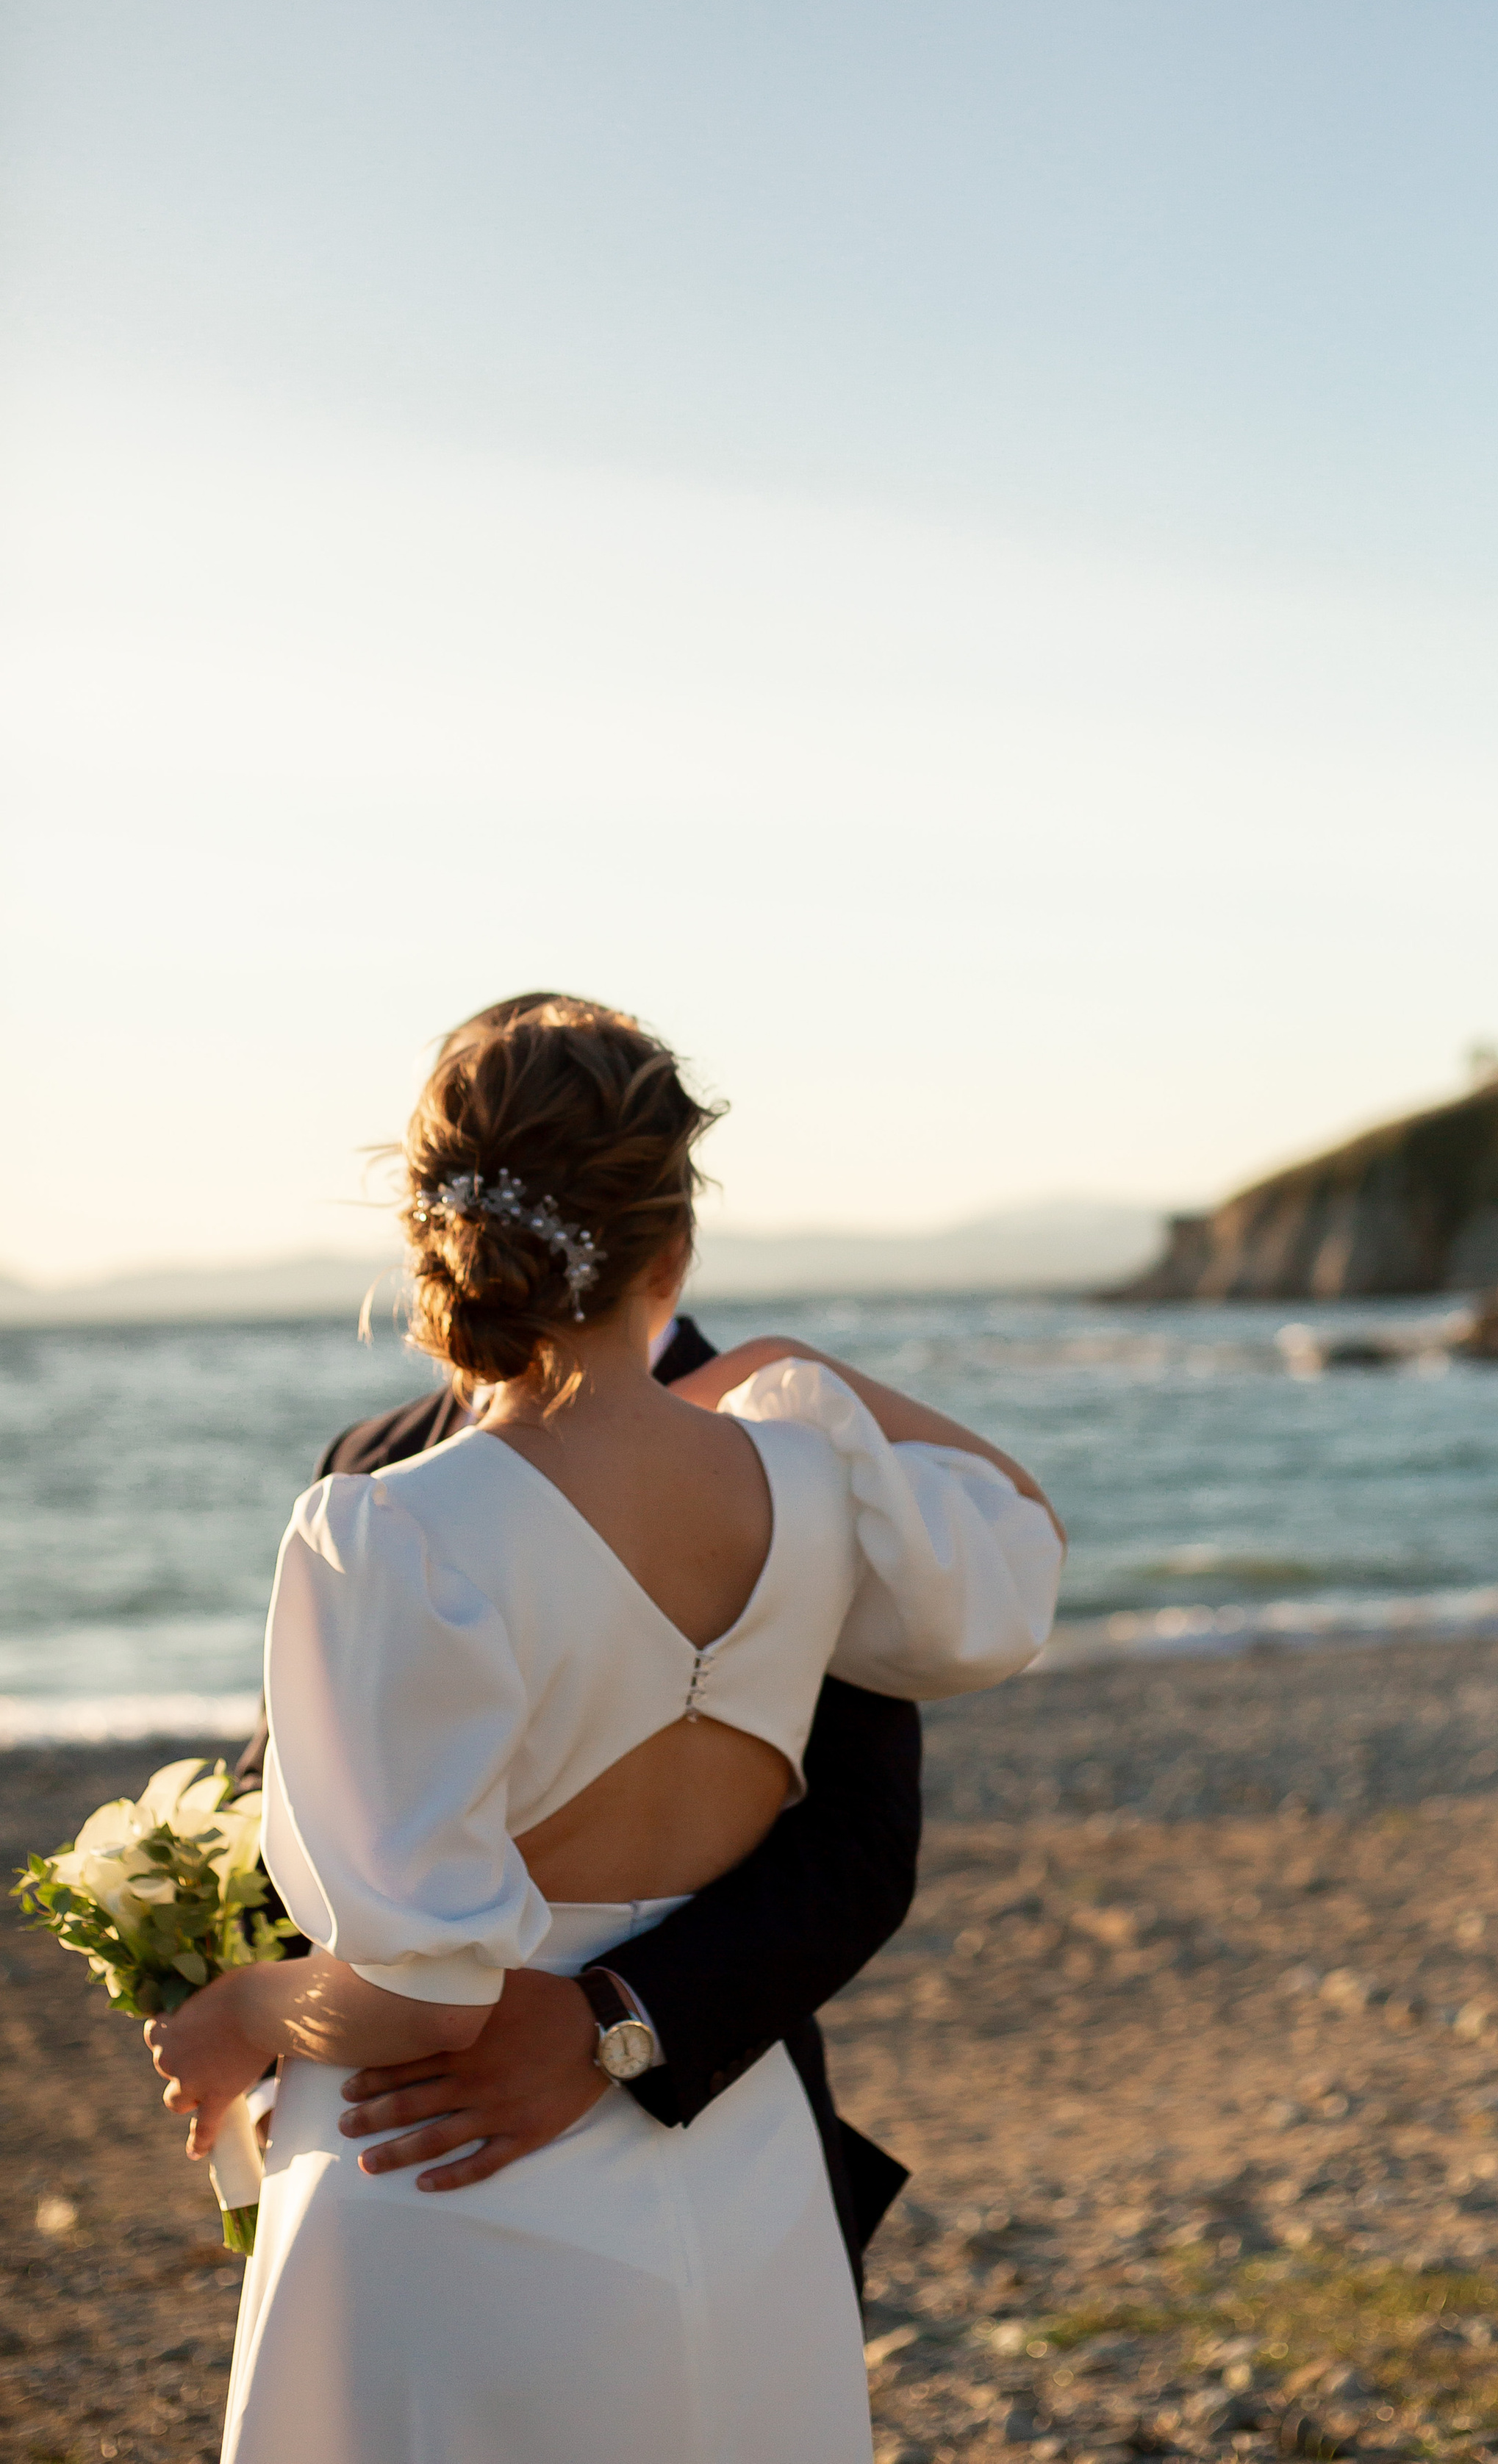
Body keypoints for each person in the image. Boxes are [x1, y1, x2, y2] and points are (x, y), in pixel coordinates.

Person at [146, 995, 1064, 2463]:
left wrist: (242, 2012)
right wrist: (799, 1375)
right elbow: (1017, 1532)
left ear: (427, 1230)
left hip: (438, 2158)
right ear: (672, 1233)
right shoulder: (819, 1485)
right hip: (731, 2172)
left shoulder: (379, 1532)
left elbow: (438, 1986)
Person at [236, 1275, 922, 2291]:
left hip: (705, 2107)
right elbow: (275, 1792)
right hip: (386, 2131)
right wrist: (262, 2060)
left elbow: (859, 1840)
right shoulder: (368, 1462)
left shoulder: (796, 1456)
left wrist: (615, 2021)